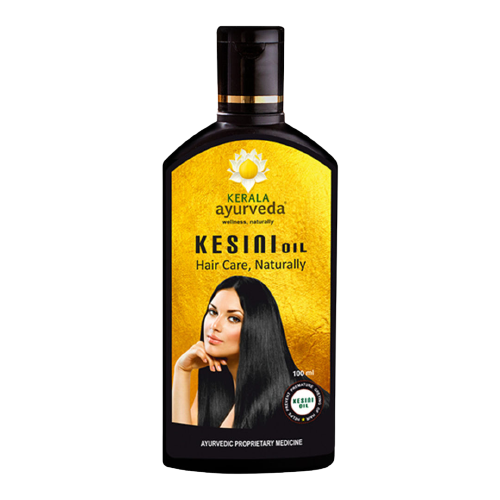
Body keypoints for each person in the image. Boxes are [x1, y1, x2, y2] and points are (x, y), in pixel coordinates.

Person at [172, 276, 330, 428]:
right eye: (213, 312)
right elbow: (184, 440)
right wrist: (182, 371)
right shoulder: (217, 382)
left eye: (234, 318)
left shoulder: (297, 400)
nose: (214, 325)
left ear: (258, 329)